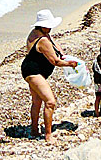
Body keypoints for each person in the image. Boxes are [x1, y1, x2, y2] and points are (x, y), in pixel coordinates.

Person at [21, 9, 77, 143]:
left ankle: (34, 130)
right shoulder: (42, 40)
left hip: (30, 69)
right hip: (34, 72)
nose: (51, 28)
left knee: (37, 101)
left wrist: (62, 53)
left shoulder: (37, 32)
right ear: (43, 25)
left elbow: (53, 44)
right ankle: (48, 135)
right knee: (50, 102)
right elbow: (55, 61)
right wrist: (70, 64)